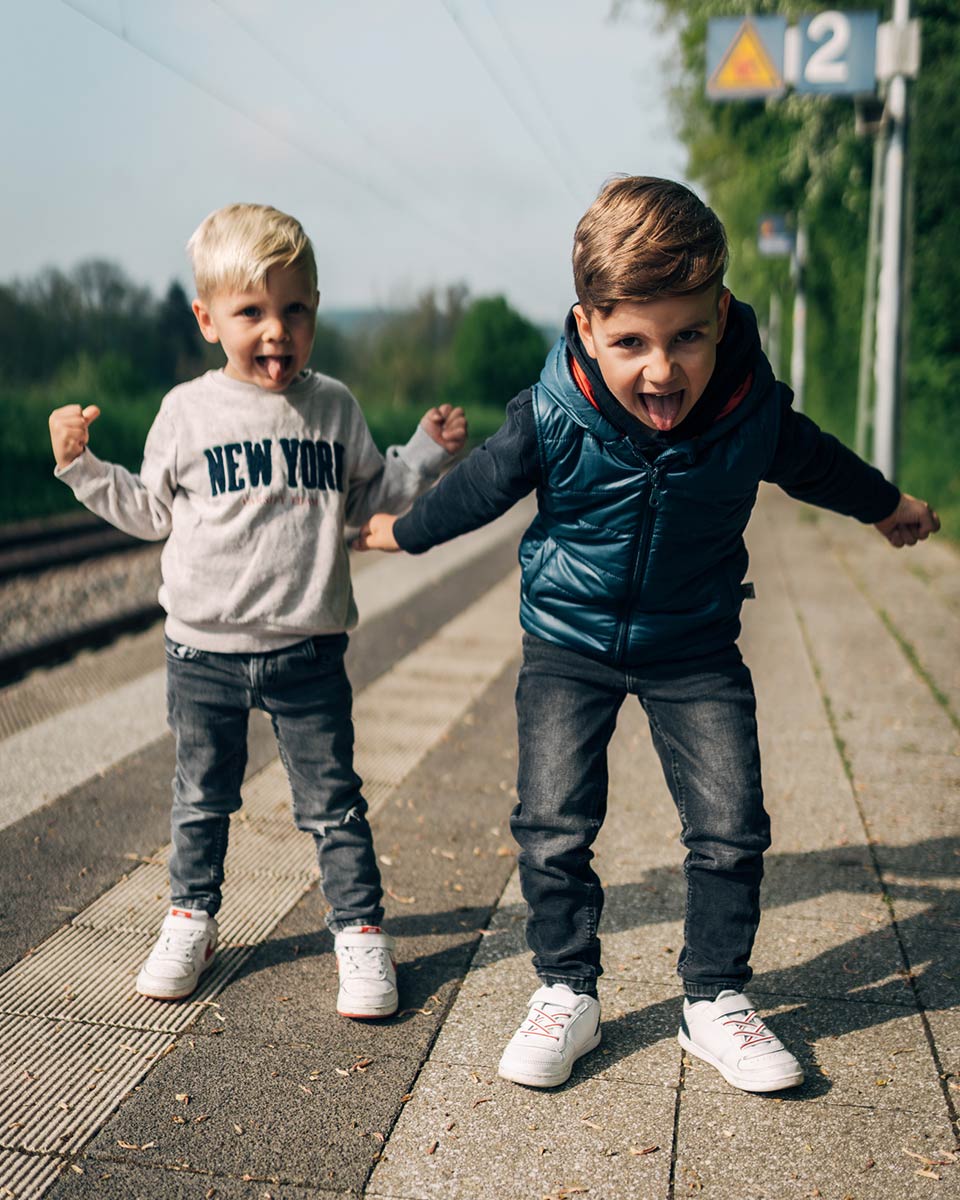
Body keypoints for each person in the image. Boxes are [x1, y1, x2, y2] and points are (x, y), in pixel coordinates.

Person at [354, 176, 940, 1091]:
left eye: (687, 338)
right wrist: (405, 529)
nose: (661, 371)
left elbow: (818, 462)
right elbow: (481, 487)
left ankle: (714, 1000)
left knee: (731, 828)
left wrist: (886, 506)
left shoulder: (751, 414)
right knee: (552, 827)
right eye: (631, 342)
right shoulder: (551, 413)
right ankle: (565, 989)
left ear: (722, 312)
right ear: (586, 327)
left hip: (695, 645)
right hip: (567, 641)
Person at [48, 202, 467, 1018]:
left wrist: (425, 452)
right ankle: (191, 920)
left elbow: (370, 495)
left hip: (309, 650)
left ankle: (359, 933)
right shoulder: (187, 411)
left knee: (333, 802)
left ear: (315, 308)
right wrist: (82, 468)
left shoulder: (336, 406)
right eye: (252, 312)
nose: (277, 330)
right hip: (201, 652)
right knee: (201, 796)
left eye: (295, 310)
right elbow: (150, 511)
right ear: (209, 318)